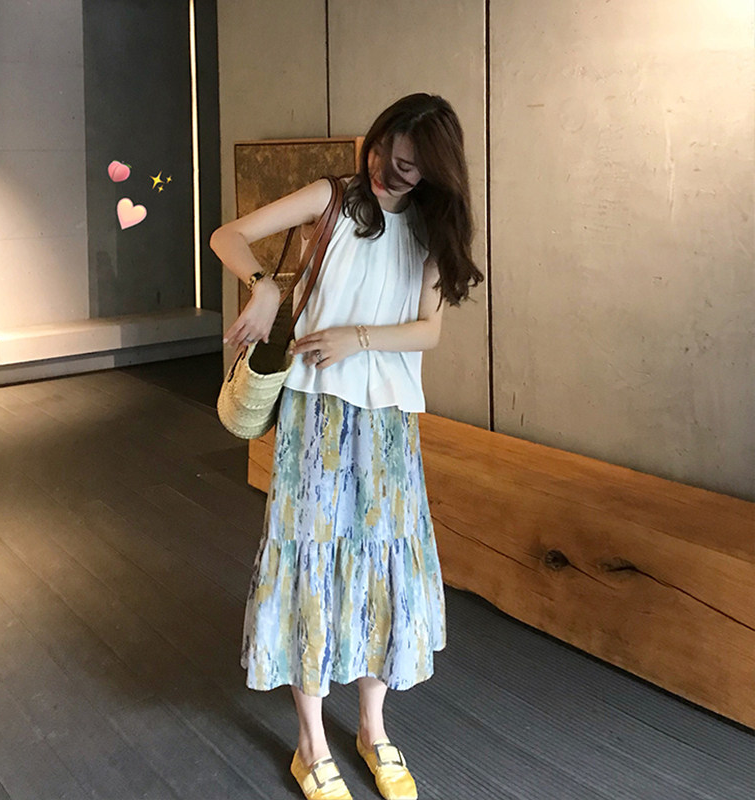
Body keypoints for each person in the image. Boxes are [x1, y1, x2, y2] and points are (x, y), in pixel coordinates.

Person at [210, 92, 483, 800]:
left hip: (388, 418)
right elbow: (228, 235)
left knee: (382, 565)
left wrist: (358, 339)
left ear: (435, 172)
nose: (389, 173)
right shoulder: (332, 197)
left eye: (409, 168)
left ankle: (372, 728)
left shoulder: (433, 227)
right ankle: (310, 744)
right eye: (385, 154)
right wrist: (263, 287)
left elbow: (427, 330)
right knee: (309, 556)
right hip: (315, 411)